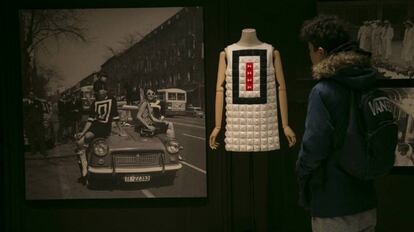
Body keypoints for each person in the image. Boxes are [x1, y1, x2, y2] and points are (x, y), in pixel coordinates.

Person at [297, 15, 377, 232]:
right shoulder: (367, 82)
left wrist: (302, 171)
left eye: (311, 51)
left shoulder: (323, 91)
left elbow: (314, 145)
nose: (311, 57)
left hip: (332, 204)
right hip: (367, 201)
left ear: (321, 52)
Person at [75, 81, 125, 184]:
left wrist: (121, 131)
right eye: (98, 90)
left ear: (106, 90)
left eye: (102, 89)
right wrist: (83, 132)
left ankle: (85, 170)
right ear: (97, 92)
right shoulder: (94, 103)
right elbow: (90, 120)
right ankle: (84, 164)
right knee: (79, 141)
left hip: (104, 128)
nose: (101, 92)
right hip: (95, 126)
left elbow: (116, 117)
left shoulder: (112, 100)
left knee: (88, 136)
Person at [25, 91, 47, 156]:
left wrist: (40, 119)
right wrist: (26, 120)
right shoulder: (25, 103)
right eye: (30, 95)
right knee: (31, 137)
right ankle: (33, 151)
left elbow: (41, 111)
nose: (31, 96)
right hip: (29, 123)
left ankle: (43, 151)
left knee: (40, 137)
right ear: (28, 96)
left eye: (32, 95)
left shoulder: (38, 102)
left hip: (37, 122)